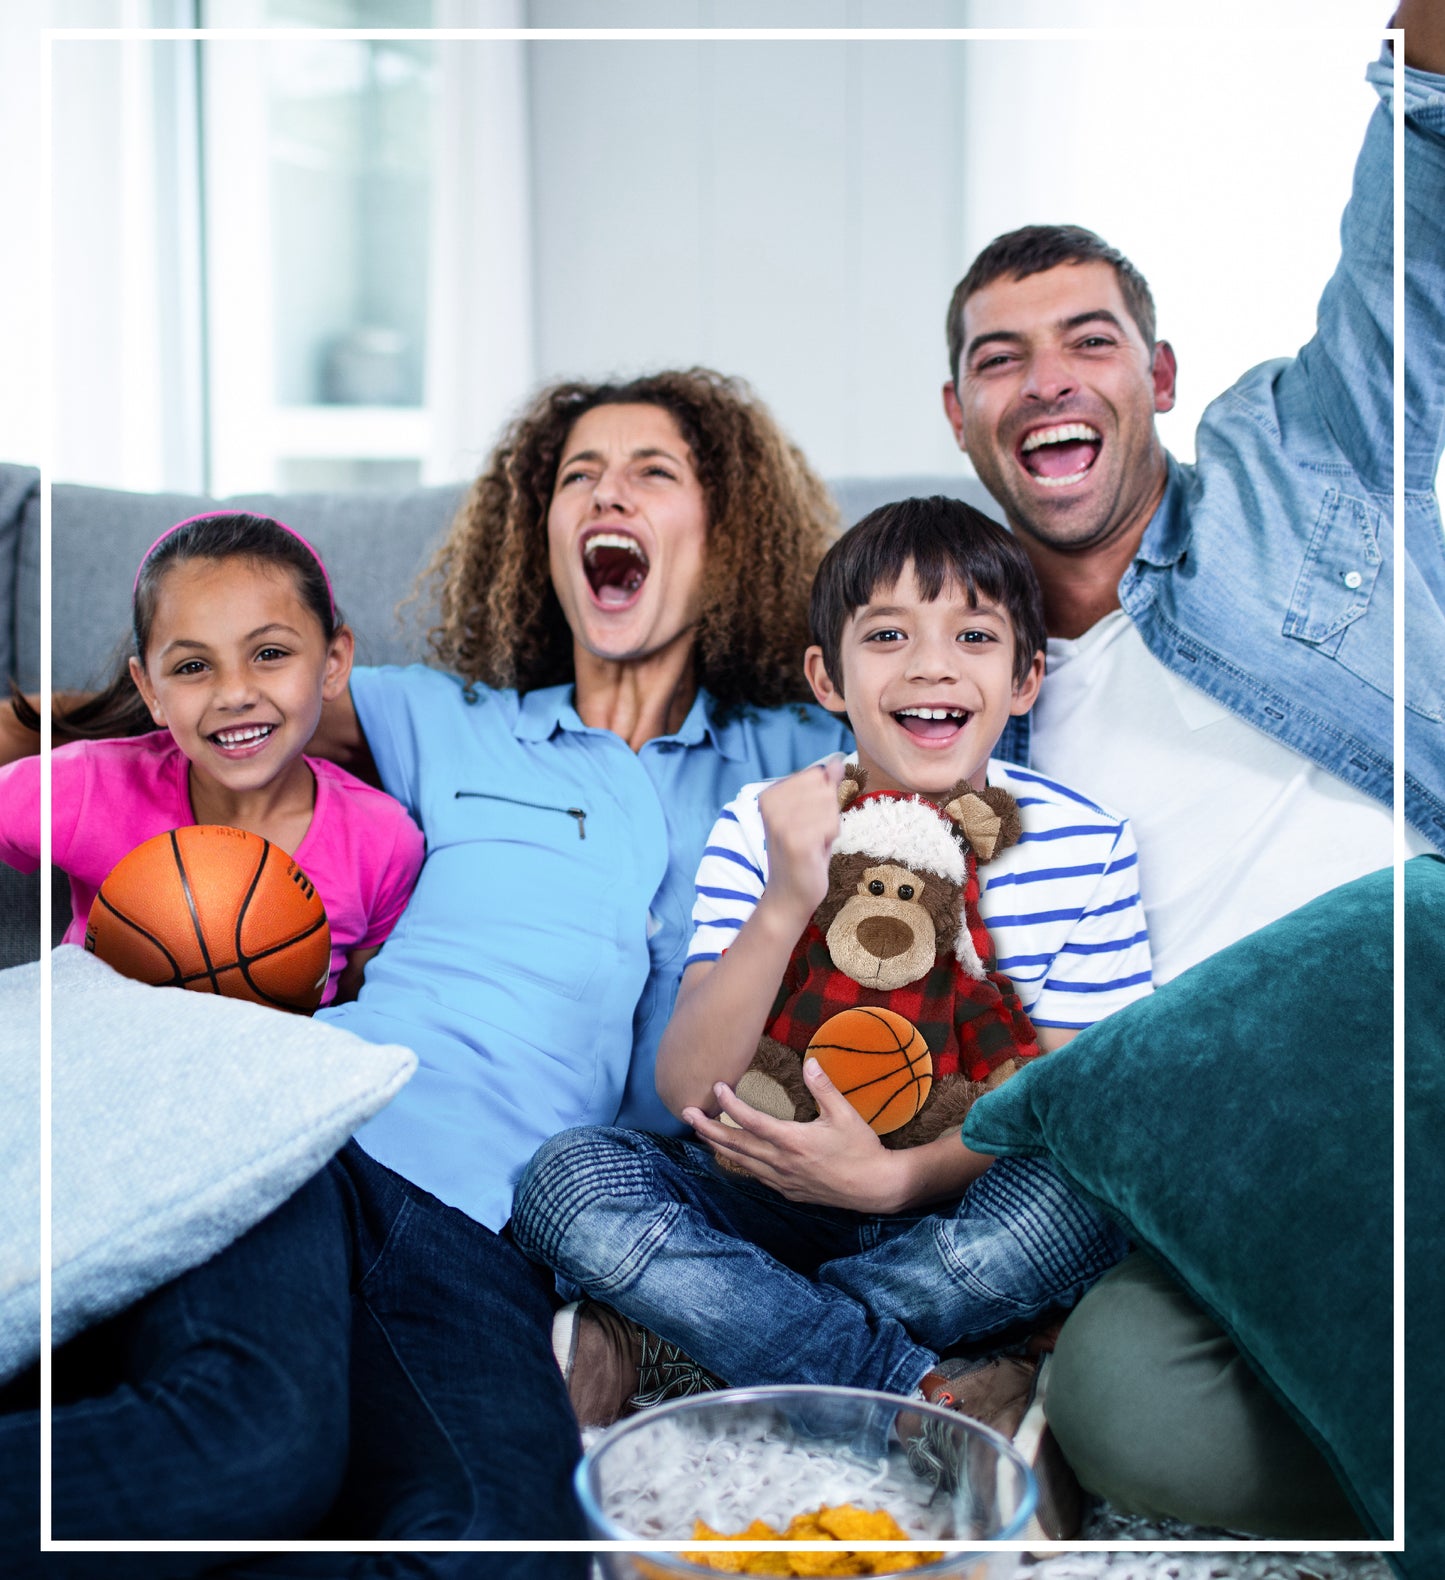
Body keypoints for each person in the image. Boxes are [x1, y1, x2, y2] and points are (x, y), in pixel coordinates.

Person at [0, 368, 853, 1578]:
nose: (608, 492)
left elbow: (961, 694)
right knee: (248, 1446)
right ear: (541, 532)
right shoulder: (442, 715)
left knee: (508, 1554)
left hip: (486, 1246)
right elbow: (230, 687)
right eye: (577, 477)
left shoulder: (797, 756)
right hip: (311, 1138)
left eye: (652, 472)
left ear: (725, 532)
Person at [919, 6, 1445, 1540]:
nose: (1047, 382)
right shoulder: (946, 706)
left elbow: (1409, 251)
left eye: (1088, 342)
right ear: (958, 418)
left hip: (1415, 1022)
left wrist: (1422, 65)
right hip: (1210, 1166)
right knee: (1130, 1411)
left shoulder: (1306, 476)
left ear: (1155, 373)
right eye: (997, 360)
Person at [511, 498, 1151, 1520]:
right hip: (762, 1200)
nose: (931, 665)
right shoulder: (764, 823)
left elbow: (1064, 1099)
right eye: (887, 634)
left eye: (973, 635)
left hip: (956, 1208)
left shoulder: (1085, 844)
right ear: (827, 677)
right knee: (563, 1181)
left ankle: (686, 1339)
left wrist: (899, 1177)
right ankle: (915, 1386)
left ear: (1024, 677)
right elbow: (687, 1086)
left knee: (1095, 1197)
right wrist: (785, 895)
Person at [0, 512, 424, 1005]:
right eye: (193, 666)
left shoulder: (384, 840)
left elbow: (368, 1010)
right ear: (150, 691)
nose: (235, 693)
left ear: (333, 665)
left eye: (269, 653)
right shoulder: (86, 785)